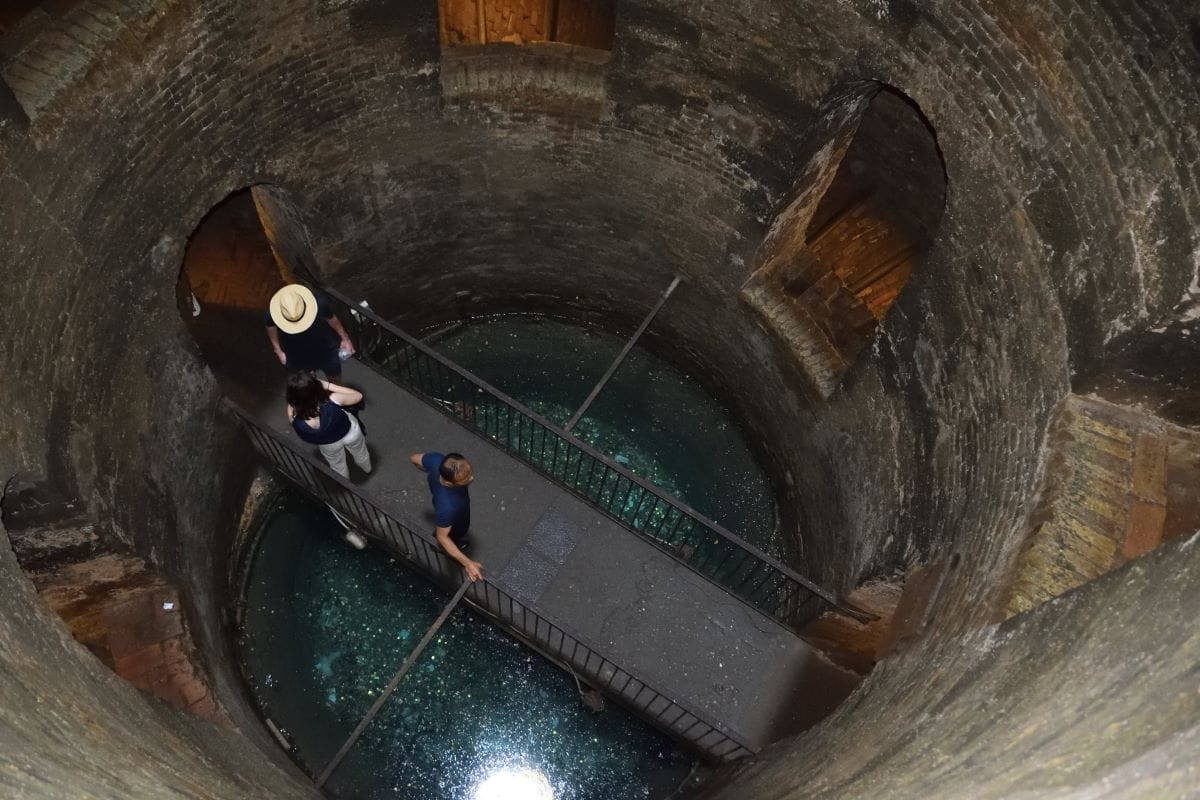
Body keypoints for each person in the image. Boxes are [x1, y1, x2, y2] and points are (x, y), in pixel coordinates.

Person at [410, 451, 482, 582]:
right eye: (465, 479)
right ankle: (441, 547)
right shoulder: (448, 507)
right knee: (452, 534)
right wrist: (468, 563)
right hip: (455, 518)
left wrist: (430, 472)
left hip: (446, 508)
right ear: (449, 482)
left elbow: (414, 458)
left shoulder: (437, 460)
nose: (471, 478)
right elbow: (442, 537)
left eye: (470, 472)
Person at [286, 372, 371, 480]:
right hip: (350, 432)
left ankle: (345, 481)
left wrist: (293, 400)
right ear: (317, 387)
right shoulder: (333, 399)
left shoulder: (296, 420)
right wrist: (329, 386)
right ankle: (366, 468)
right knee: (360, 451)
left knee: (337, 464)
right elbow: (358, 396)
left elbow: (290, 413)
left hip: (328, 444)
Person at [265, 284, 355, 380]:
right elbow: (271, 327)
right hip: (295, 353)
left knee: (335, 377)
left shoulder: (319, 303)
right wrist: (278, 350)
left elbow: (332, 320)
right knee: (308, 382)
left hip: (325, 349)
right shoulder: (271, 314)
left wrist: (345, 339)